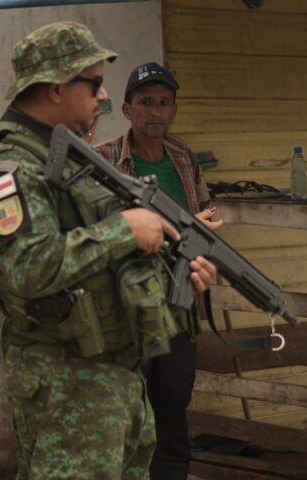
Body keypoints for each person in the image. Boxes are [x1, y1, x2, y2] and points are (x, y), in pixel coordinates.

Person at [0, 22, 217, 479]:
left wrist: (176, 268)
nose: (102, 97)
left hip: (112, 374)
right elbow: (31, 268)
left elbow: (100, 258)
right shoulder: (7, 166)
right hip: (65, 384)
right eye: (94, 84)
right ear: (57, 88)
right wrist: (124, 230)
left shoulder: (63, 154)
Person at [96, 62, 221, 480]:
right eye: (146, 102)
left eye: (164, 102)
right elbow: (98, 232)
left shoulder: (184, 158)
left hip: (180, 303)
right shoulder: (105, 159)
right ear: (128, 109)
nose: (156, 111)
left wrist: (203, 236)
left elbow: (204, 218)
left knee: (172, 407)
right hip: (128, 308)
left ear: (174, 110)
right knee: (125, 411)